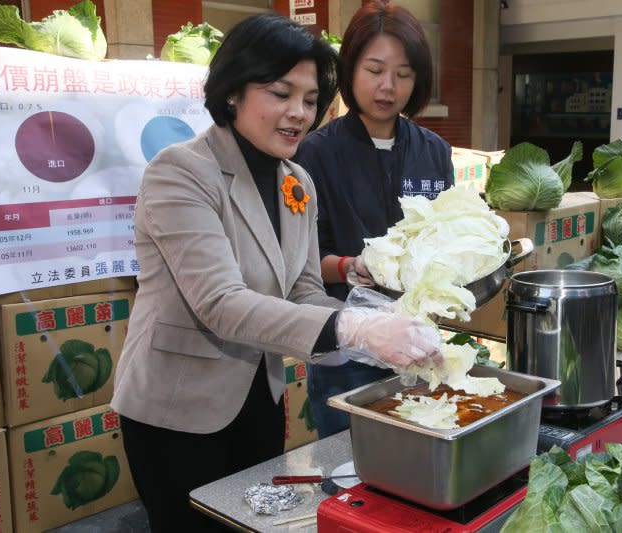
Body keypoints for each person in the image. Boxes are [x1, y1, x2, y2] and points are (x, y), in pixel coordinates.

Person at [110, 13, 442, 533]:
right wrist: (354, 329)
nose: (298, 113)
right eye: (280, 93)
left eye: (310, 100)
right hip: (176, 407)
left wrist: (380, 327)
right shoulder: (180, 172)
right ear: (234, 92)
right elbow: (219, 302)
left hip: (258, 398)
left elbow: (304, 289)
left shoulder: (297, 182)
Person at [293, 0, 454, 438]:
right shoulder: (315, 153)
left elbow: (445, 240)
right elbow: (303, 262)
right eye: (375, 70)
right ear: (350, 71)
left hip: (421, 342)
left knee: (419, 458)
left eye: (403, 74)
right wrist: (349, 267)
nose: (388, 86)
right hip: (348, 349)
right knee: (351, 470)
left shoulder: (433, 151)